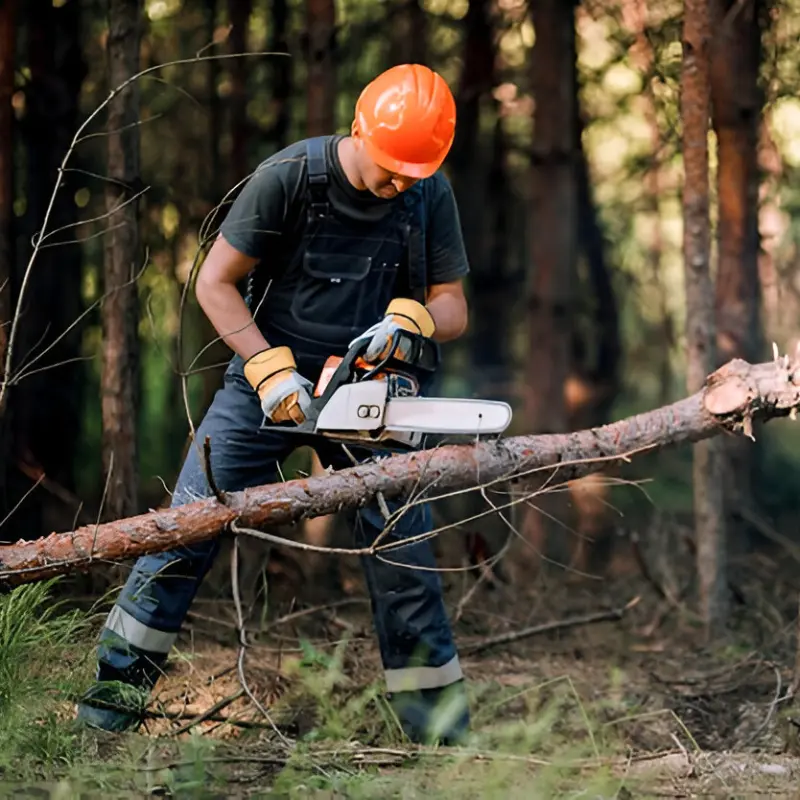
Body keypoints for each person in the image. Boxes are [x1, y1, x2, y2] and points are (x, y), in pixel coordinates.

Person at [76, 63, 472, 745]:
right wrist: (265, 369)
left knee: (404, 554)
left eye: (413, 172)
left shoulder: (428, 192)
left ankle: (439, 737)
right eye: (390, 169)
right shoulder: (289, 176)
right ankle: (107, 707)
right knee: (184, 533)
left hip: (371, 396)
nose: (399, 182)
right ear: (358, 130)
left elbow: (454, 305)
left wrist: (416, 319)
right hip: (269, 386)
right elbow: (215, 284)